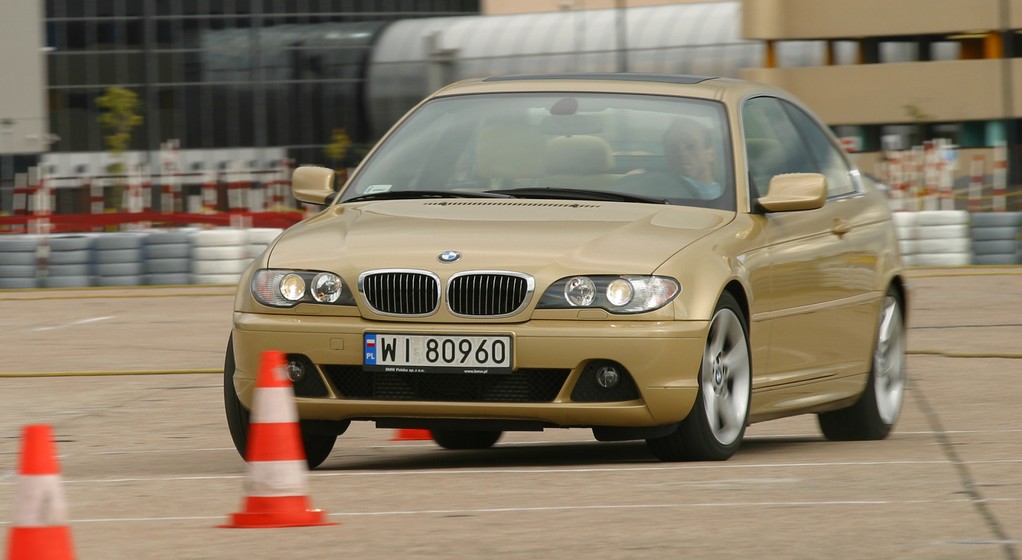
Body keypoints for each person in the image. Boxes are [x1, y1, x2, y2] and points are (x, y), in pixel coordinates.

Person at [614, 116, 720, 200]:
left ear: (710, 154)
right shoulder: (649, 184)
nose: (681, 153)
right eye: (673, 149)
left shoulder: (730, 195)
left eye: (691, 146)